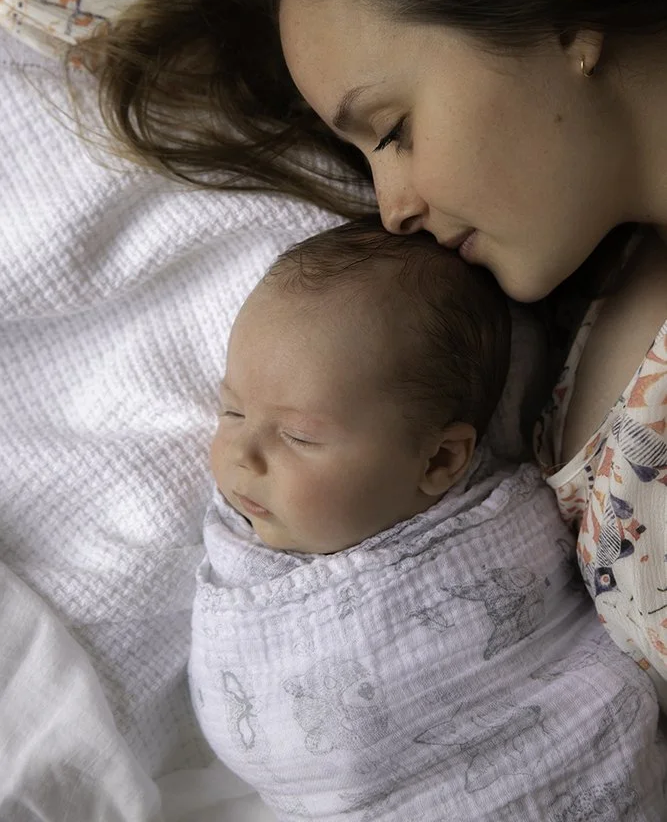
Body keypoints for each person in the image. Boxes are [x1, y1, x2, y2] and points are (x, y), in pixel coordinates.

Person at [2, 0, 666, 698]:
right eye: (364, 160)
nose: (392, 209)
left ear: (559, 13)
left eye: (392, 131)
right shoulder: (568, 295)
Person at [190, 218, 666, 821]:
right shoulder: (241, 558)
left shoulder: (511, 529)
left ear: (439, 459)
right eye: (231, 409)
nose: (242, 454)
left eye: (298, 436)